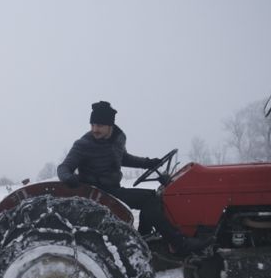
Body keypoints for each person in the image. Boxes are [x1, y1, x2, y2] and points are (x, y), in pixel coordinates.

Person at [57, 101, 213, 256]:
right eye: (92, 125)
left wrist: (148, 163)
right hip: (99, 192)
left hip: (113, 189)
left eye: (99, 125)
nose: (94, 129)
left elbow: (123, 158)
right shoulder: (83, 144)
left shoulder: (117, 139)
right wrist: (68, 178)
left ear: (110, 126)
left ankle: (146, 240)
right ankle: (179, 243)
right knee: (149, 199)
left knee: (152, 196)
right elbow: (63, 167)